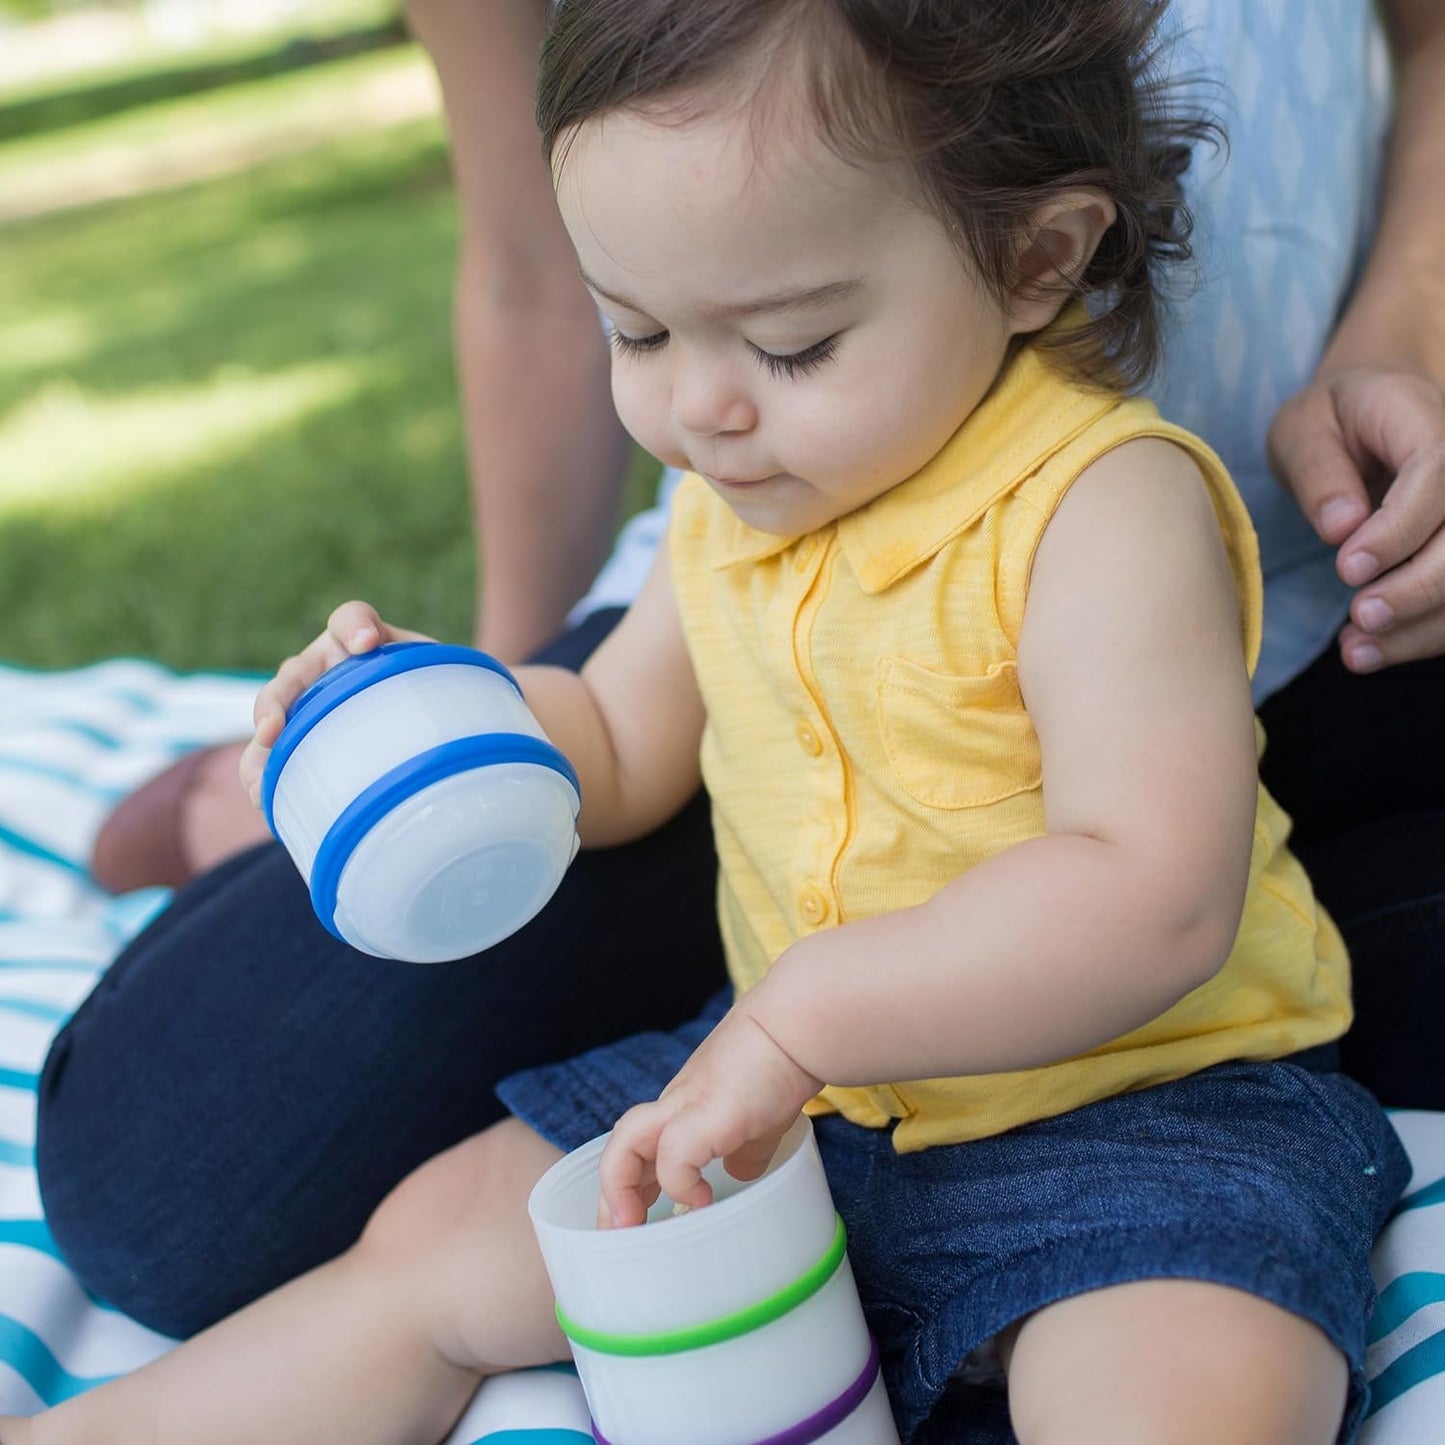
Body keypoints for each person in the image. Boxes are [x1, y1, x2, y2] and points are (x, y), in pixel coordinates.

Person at [9, 2, 1411, 1441]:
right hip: (790, 1112)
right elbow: (614, 746)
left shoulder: (1100, 503)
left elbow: (1152, 895)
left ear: (1032, 259)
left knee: (1188, 1378)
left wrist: (801, 1019)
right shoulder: (728, 508)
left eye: (793, 344)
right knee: (439, 1239)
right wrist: (451, 716)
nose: (698, 408)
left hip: (1137, 1114)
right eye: (639, 328)